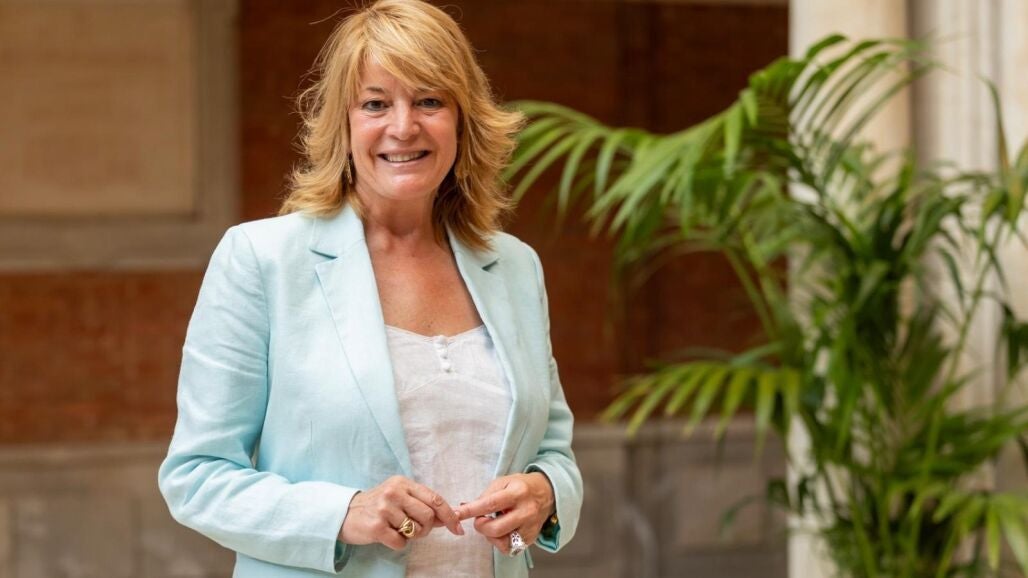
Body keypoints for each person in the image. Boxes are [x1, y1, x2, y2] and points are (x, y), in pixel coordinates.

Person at [157, 1, 583, 576]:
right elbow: (196, 477)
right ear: (345, 123)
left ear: (463, 120)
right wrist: (344, 513)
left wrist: (545, 493)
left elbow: (554, 452)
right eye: (376, 104)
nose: (403, 127)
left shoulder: (514, 267)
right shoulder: (262, 260)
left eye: (429, 101)